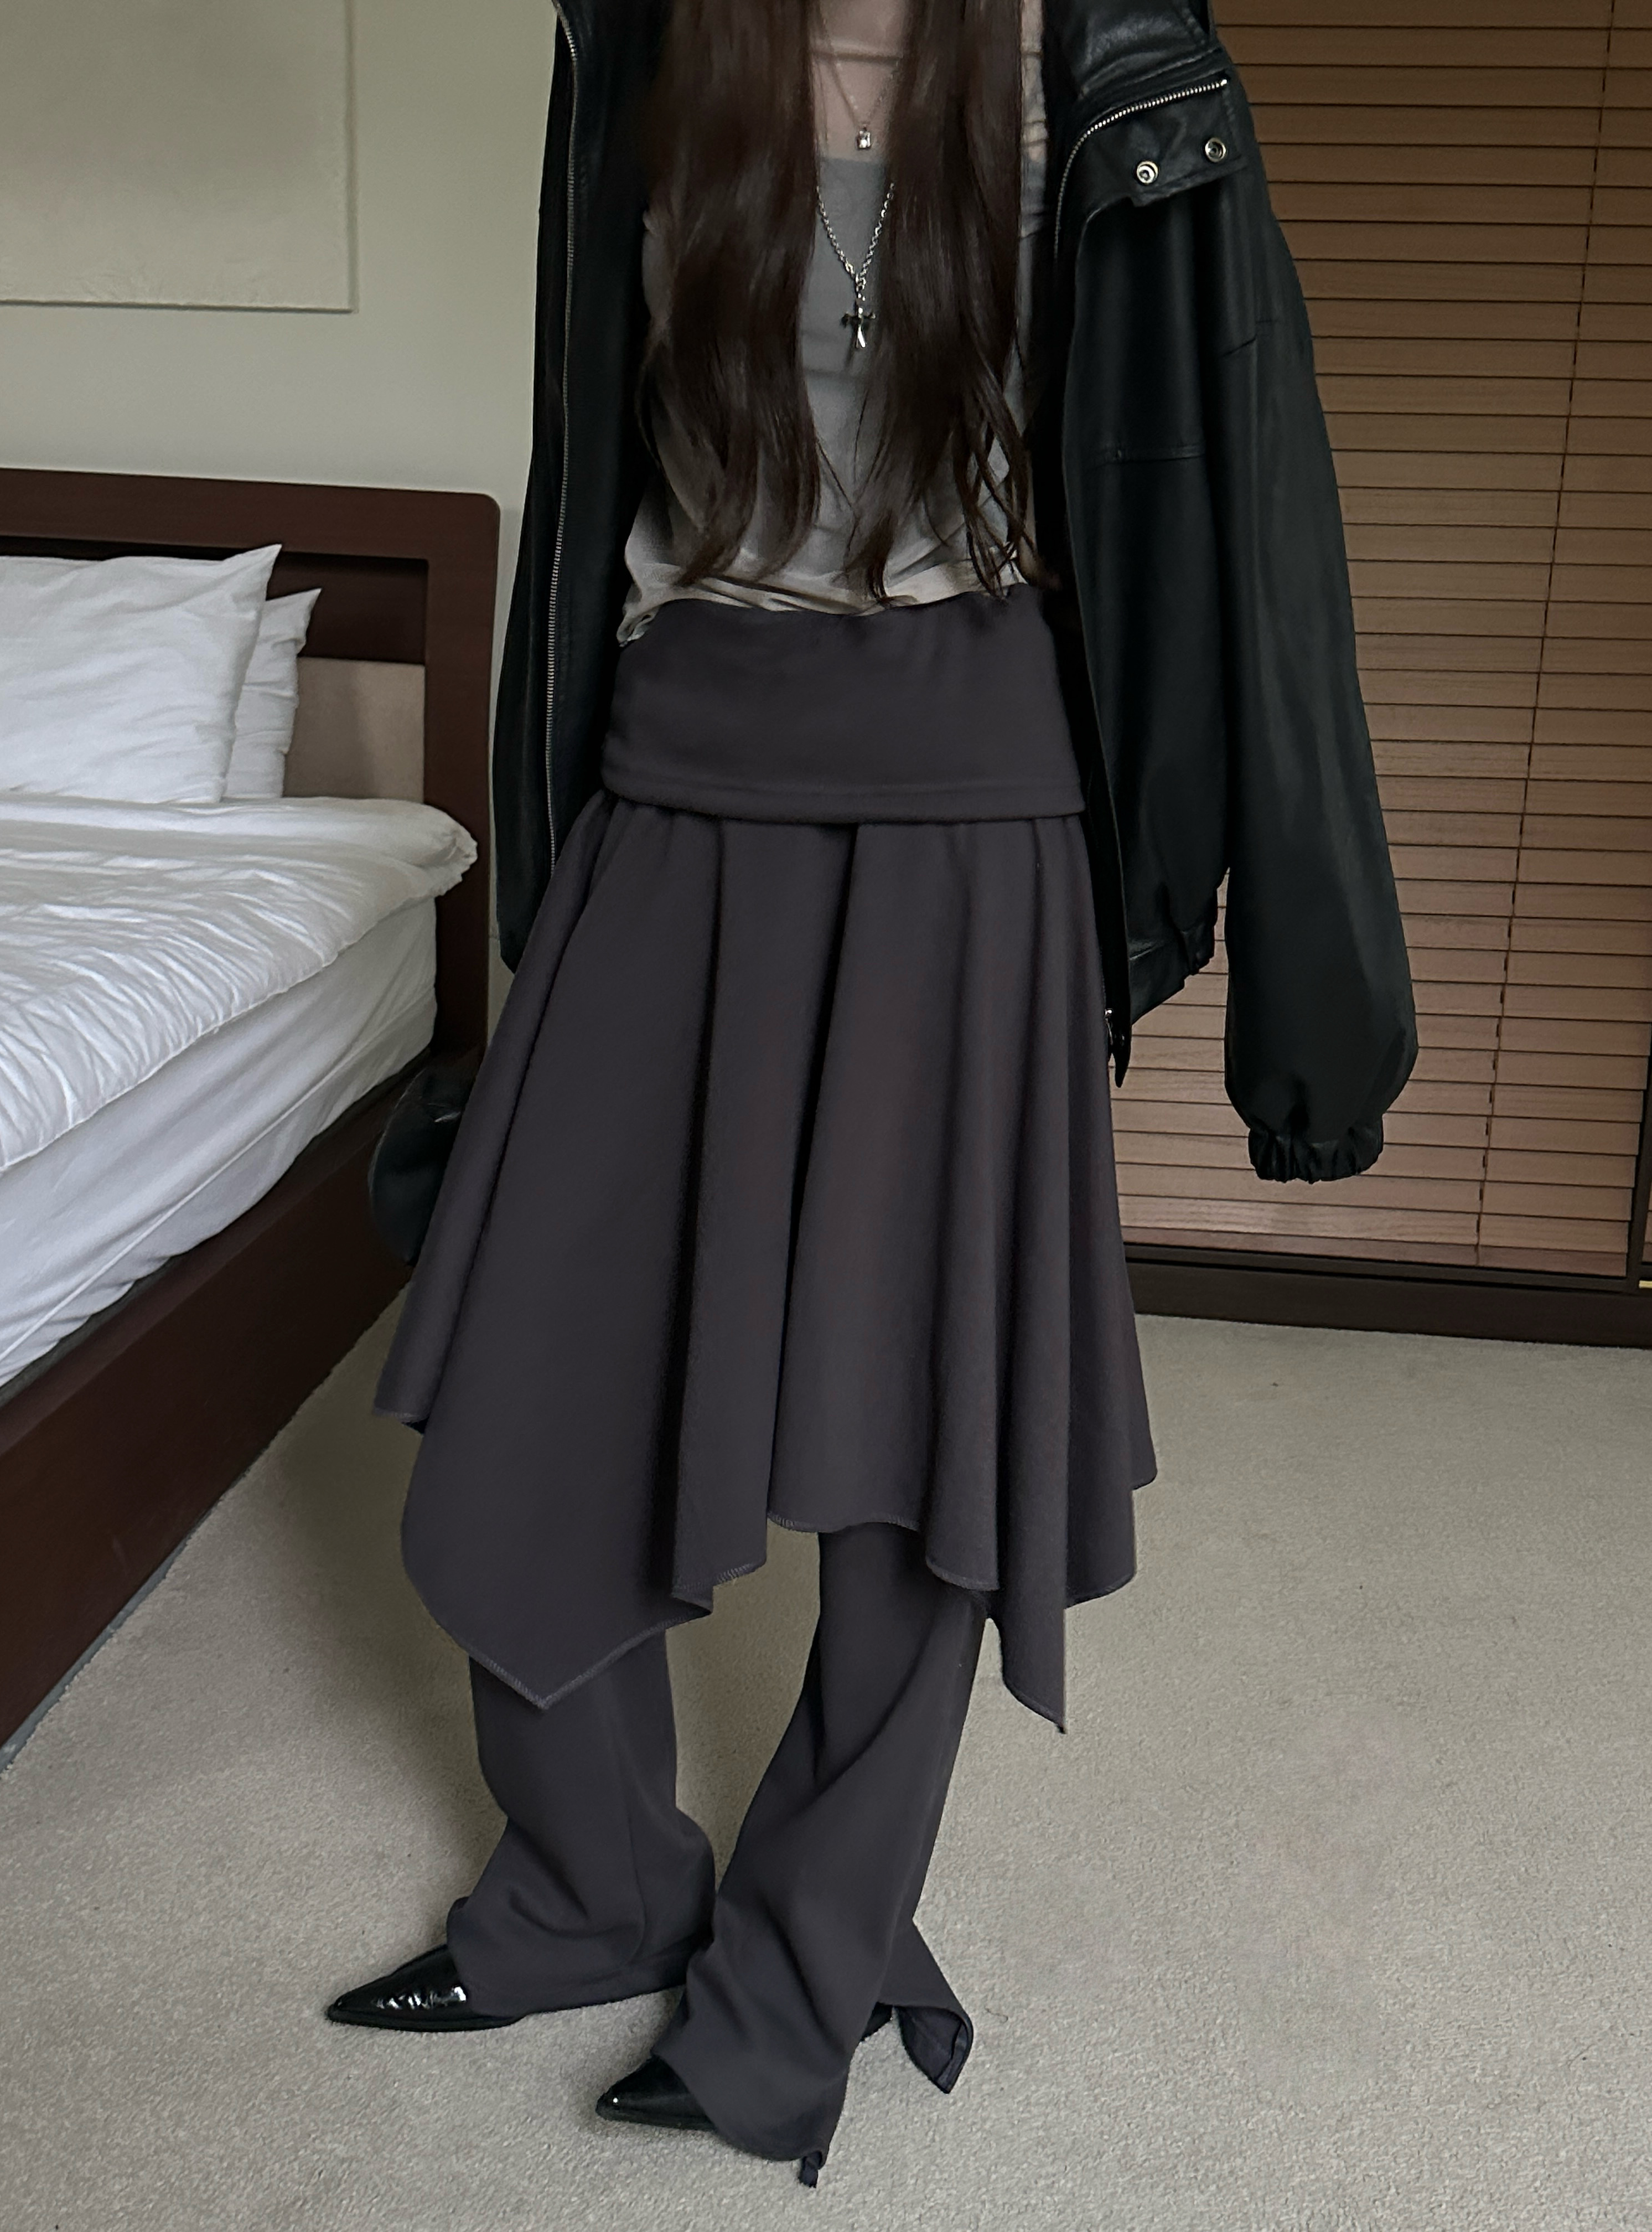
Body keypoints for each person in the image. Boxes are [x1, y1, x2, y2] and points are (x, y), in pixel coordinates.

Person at [325, 0, 1417, 2187]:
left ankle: (805, 1965)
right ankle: (594, 1890)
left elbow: (1253, 516)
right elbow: (595, 445)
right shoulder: (641, 39)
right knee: (531, 1373)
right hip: (676, 768)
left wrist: (1317, 994)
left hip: (976, 805)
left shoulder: (1120, 70)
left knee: (925, 1439)